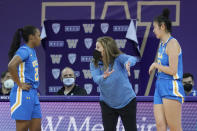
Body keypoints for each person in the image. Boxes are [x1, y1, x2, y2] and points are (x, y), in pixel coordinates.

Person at [90, 36, 139, 131]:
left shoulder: (118, 58)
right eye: (96, 47)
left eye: (98, 47)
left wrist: (128, 63)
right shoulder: (94, 62)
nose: (95, 49)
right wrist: (103, 77)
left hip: (127, 101)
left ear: (106, 48)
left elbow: (132, 58)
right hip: (107, 103)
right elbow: (96, 79)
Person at [149, 9, 185, 131]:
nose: (153, 30)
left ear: (162, 26)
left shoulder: (173, 44)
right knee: (160, 126)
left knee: (174, 128)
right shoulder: (162, 44)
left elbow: (173, 70)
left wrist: (155, 65)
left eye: (154, 27)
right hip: (159, 85)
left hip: (171, 85)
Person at [8, 25, 42, 131]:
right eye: (38, 35)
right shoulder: (24, 50)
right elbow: (11, 65)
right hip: (22, 94)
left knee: (36, 128)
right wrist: (19, 84)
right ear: (32, 37)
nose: (40, 38)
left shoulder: (32, 51)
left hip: (32, 93)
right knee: (22, 128)